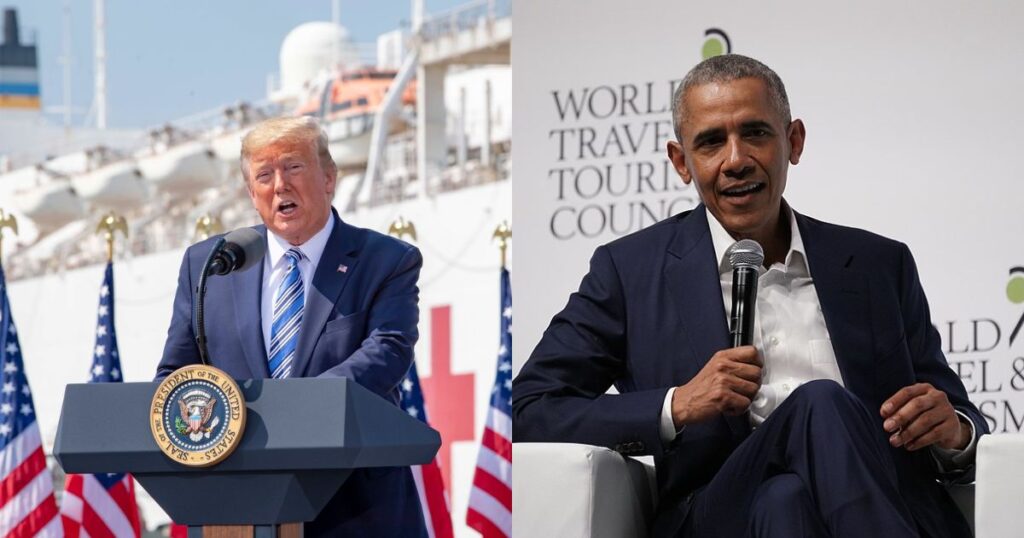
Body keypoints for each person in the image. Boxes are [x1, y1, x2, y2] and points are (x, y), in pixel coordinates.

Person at [512, 54, 986, 538]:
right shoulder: (629, 272)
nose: (736, 160)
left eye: (756, 133)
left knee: (786, 500)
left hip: (863, 500)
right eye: (712, 142)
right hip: (720, 513)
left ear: (793, 141)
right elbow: (531, 409)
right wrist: (676, 405)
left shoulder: (878, 264)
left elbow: (957, 413)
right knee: (819, 403)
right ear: (682, 162)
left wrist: (954, 434)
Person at [156, 116, 427, 537]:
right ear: (252, 193)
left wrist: (291, 410)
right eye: (264, 175)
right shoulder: (210, 264)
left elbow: (388, 351)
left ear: (329, 178)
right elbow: (176, 374)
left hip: (357, 508)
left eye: (293, 167)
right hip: (238, 506)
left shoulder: (386, 260)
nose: (279, 185)